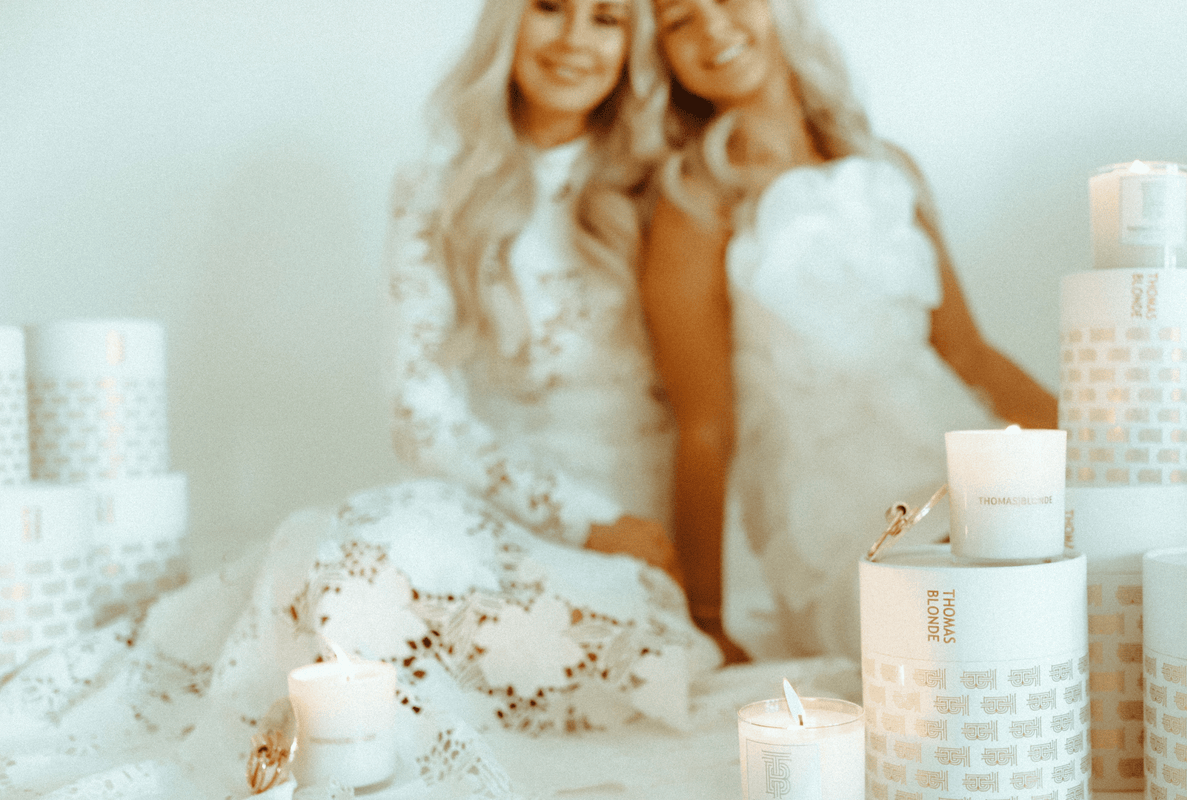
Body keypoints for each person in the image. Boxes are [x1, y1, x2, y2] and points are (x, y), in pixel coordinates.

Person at [0, 2, 722, 797]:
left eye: (607, 19)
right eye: (551, 8)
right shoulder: (437, 188)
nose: (575, 39)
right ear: (508, 24)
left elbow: (709, 409)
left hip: (634, 536)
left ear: (633, 45)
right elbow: (421, 416)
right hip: (486, 511)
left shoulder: (665, 186)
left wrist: (654, 552)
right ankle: (276, 750)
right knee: (332, 548)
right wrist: (580, 518)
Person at [640, 0, 1058, 659]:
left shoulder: (889, 168)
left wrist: (1099, 455)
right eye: (677, 20)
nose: (711, 25)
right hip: (842, 532)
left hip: (954, 470)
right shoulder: (694, 199)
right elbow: (703, 429)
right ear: (663, 56)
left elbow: (969, 355)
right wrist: (707, 617)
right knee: (969, 631)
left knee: (1081, 579)